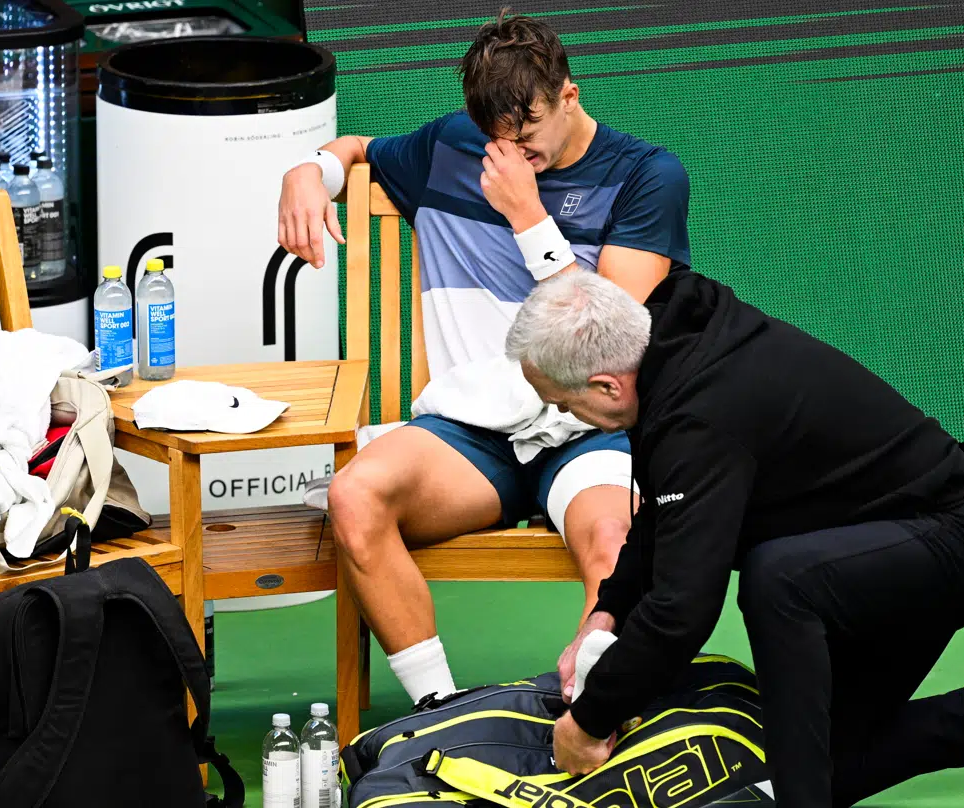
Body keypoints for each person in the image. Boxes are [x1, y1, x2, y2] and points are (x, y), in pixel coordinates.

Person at [504, 270, 964, 808]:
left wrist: (589, 721)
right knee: (828, 766)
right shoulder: (668, 343)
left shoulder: (699, 416)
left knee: (779, 579)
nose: (565, 416)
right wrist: (607, 613)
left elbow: (683, 609)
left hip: (956, 544)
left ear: (608, 384)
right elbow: (669, 515)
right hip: (866, 545)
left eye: (563, 403)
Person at [275, 11, 690, 705]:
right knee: (354, 495)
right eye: (497, 141)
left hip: (590, 431)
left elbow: (606, 337)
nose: (510, 158)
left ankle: (599, 712)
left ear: (569, 95)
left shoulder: (648, 176)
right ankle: (442, 714)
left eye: (527, 139)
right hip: (472, 443)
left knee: (616, 541)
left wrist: (530, 219)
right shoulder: (451, 147)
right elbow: (356, 148)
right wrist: (308, 169)